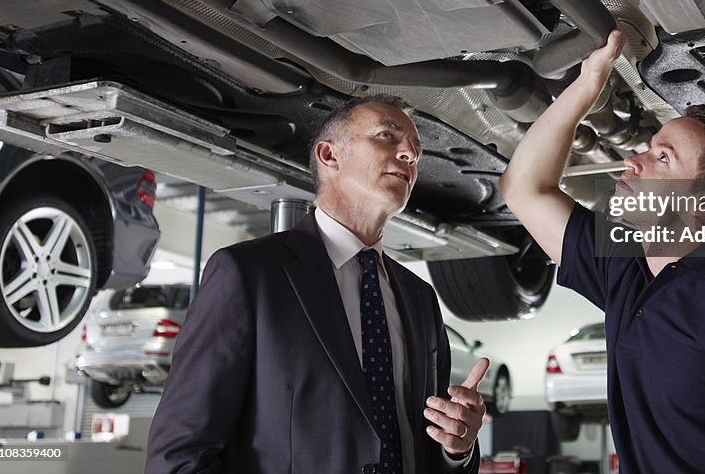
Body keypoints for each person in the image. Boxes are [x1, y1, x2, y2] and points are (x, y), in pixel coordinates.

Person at [499, 31, 705, 474]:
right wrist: (585, 88)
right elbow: (524, 189)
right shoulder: (627, 268)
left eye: (663, 158)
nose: (633, 162)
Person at [146, 95, 485, 474]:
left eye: (416, 150)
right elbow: (179, 455)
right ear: (329, 156)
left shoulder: (419, 297)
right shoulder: (248, 274)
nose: (409, 153)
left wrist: (458, 449)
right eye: (387, 136)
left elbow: (429, 446)